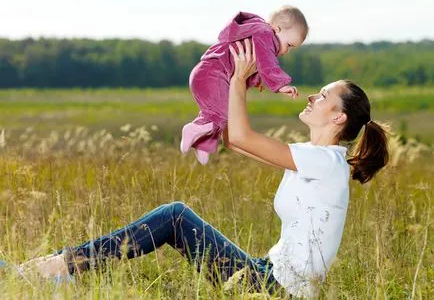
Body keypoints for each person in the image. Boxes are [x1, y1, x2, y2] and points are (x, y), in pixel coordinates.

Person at [16, 39, 388, 298]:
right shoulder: (309, 154)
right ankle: (58, 268)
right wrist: (225, 82)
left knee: (175, 216)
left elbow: (241, 138)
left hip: (276, 290)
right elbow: (233, 140)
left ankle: (58, 269)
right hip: (265, 274)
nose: (312, 96)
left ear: (338, 117)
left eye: (323, 95)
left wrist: (240, 79)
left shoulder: (325, 162)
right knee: (175, 219)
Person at [180, 5, 307, 165]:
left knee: (220, 115)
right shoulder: (265, 33)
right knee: (227, 114)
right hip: (212, 74)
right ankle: (192, 130)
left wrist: (258, 79)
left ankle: (202, 144)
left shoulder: (258, 34)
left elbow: (254, 63)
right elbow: (267, 62)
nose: (287, 51)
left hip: (208, 75)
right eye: (289, 45)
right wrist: (280, 84)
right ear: (277, 28)